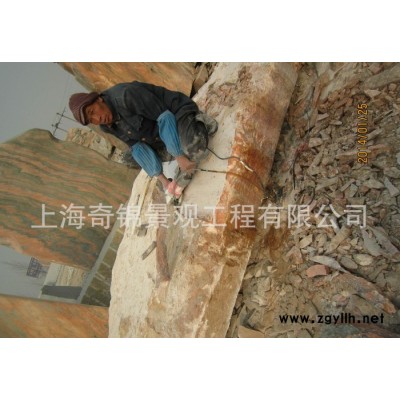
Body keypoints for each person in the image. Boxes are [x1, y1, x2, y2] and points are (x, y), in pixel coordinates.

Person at [69, 81, 217, 198]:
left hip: (176, 114)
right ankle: (178, 149)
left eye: (92, 111)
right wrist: (164, 181)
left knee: (194, 149)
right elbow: (137, 147)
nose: (97, 119)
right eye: (91, 120)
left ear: (98, 99)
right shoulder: (106, 126)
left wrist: (179, 156)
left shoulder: (126, 96)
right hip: (157, 136)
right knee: (129, 158)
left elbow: (165, 117)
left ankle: (199, 122)